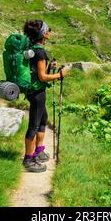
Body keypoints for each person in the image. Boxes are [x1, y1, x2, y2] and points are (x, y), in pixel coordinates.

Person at [23, 19, 70, 173]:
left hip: (33, 90)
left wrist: (50, 67)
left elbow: (37, 72)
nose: (50, 32)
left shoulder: (32, 49)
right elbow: (43, 77)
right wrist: (60, 74)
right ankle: (28, 159)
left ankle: (38, 151)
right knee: (34, 125)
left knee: (43, 120)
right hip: (37, 93)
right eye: (48, 30)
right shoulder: (40, 52)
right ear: (43, 34)